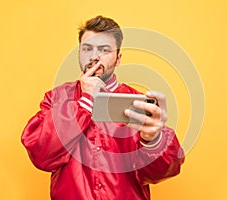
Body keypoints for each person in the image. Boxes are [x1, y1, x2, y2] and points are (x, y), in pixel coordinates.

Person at [21, 15, 185, 200]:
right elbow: (40, 153)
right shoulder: (56, 98)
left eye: (104, 50)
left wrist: (153, 139)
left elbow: (163, 171)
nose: (94, 56)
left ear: (118, 59)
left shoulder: (138, 102)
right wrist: (85, 101)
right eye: (87, 49)